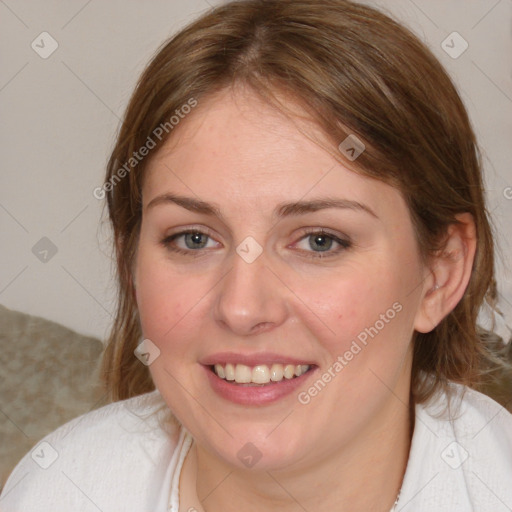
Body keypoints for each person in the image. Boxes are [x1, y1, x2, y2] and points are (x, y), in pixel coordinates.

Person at [1, 0, 511, 511]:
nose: (242, 309)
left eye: (319, 241)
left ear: (440, 273)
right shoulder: (59, 491)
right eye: (194, 239)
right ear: (130, 263)